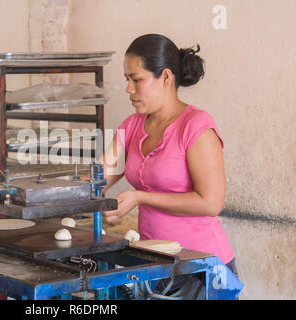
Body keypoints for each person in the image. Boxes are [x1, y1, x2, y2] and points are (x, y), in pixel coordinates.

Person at [100, 34, 238, 298]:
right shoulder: (130, 126)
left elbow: (211, 203)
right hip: (156, 266)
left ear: (165, 77)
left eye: (136, 79)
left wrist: (140, 197)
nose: (129, 89)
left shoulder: (196, 126)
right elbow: (97, 178)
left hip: (203, 268)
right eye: (126, 80)